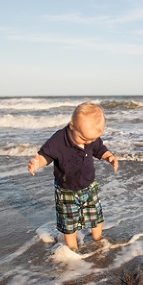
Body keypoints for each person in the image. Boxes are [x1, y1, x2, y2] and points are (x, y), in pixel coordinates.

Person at [27, 102, 118, 253]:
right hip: (66, 189)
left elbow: (100, 149)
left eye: (91, 140)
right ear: (72, 125)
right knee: (69, 222)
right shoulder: (58, 139)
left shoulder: (90, 138)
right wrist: (37, 164)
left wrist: (109, 157)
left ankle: (98, 238)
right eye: (83, 138)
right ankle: (72, 248)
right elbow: (46, 156)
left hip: (89, 185)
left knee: (95, 215)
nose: (87, 142)